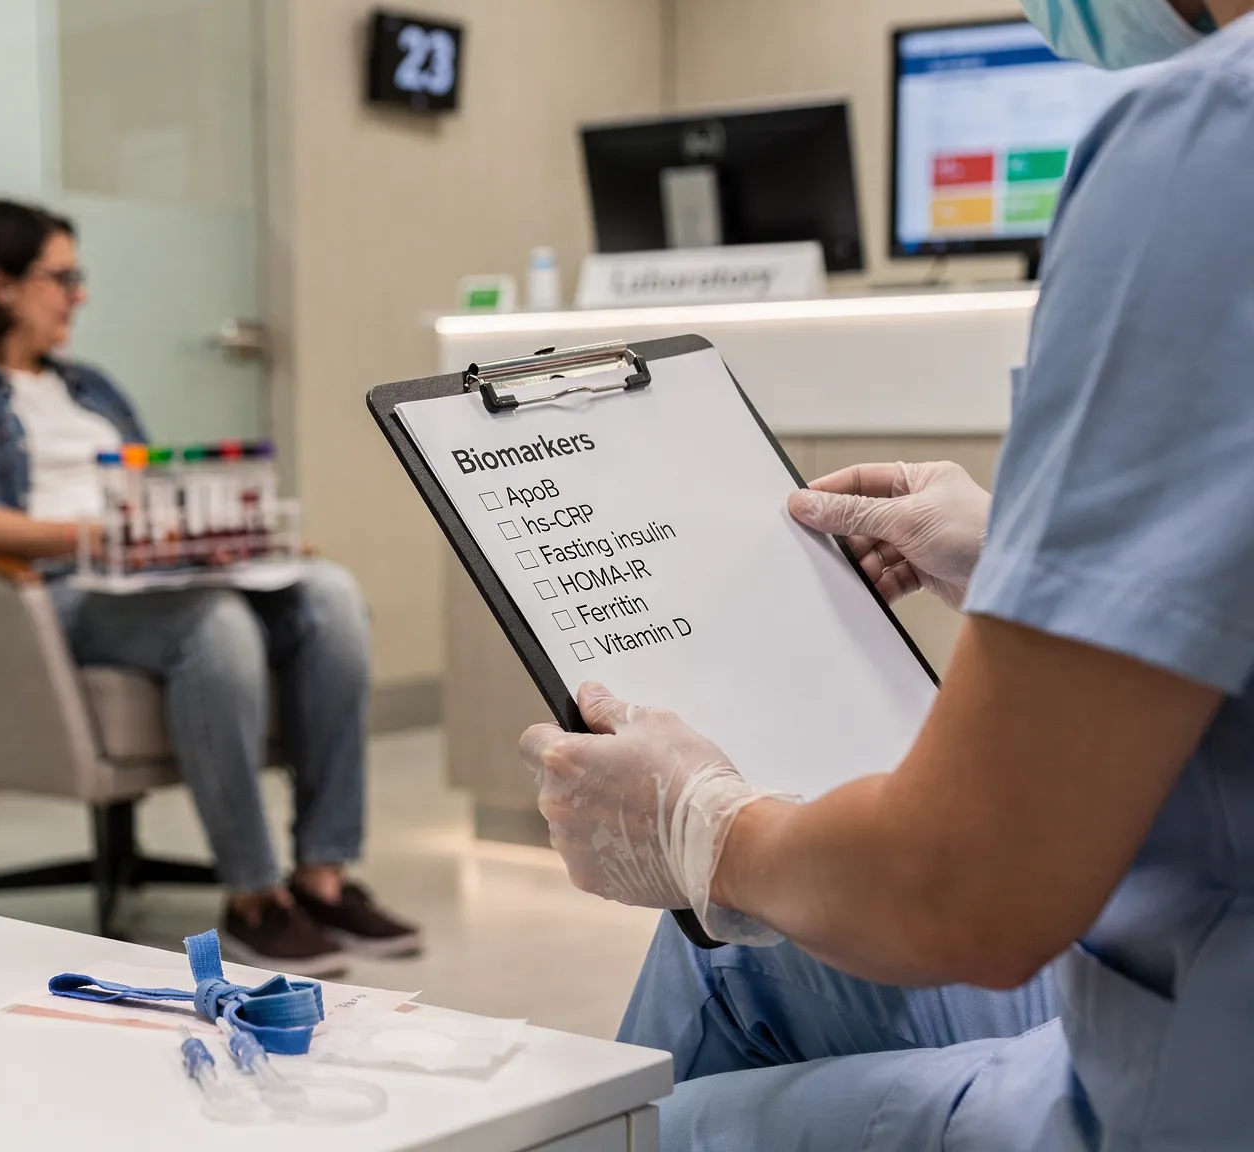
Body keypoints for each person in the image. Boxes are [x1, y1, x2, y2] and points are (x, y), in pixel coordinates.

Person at [517, 2, 1254, 1147]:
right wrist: (1034, 551)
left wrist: (706, 826)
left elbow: (961, 887)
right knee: (734, 958)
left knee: (679, 1039)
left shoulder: (1211, 139)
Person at [0, 199, 418, 975]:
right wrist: (89, 538)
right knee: (216, 622)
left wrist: (224, 537)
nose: (80, 294)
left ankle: (323, 876)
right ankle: (253, 895)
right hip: (45, 596)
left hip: (147, 577)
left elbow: (152, 489)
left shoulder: (91, 389)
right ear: (0, 284)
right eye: (62, 276)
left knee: (328, 592)